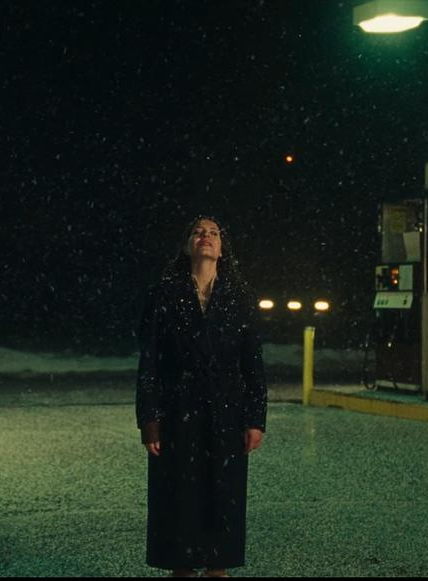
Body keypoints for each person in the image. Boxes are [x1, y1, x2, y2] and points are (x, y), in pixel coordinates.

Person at [136, 216, 267, 577]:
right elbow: (150, 359)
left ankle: (217, 567)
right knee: (178, 498)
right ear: (186, 245)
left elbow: (252, 363)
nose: (206, 236)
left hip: (226, 413)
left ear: (222, 249)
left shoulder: (240, 297)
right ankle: (181, 566)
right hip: (177, 411)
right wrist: (149, 419)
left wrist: (255, 419)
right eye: (198, 232)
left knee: (222, 497)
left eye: (213, 233)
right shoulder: (164, 293)